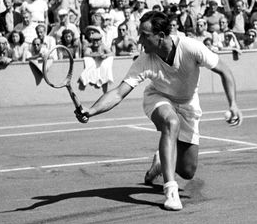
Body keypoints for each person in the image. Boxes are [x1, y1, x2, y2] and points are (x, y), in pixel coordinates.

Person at [80, 11, 242, 211]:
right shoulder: (145, 59)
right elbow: (119, 93)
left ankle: (160, 162)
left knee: (188, 170)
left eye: (144, 35)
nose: (139, 40)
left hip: (189, 103)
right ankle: (171, 191)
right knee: (170, 123)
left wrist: (233, 104)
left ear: (162, 36)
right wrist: (92, 110)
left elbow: (224, 70)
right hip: (158, 98)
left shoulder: (191, 47)